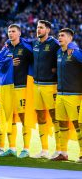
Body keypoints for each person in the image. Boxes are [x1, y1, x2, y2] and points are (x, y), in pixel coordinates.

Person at [0, 24, 33, 158]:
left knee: (24, 117)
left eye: (13, 31)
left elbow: (36, 60)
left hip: (21, 86)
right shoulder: (6, 48)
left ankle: (26, 149)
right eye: (9, 31)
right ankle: (11, 148)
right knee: (10, 116)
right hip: (8, 86)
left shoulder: (25, 48)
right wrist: (9, 63)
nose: (10, 34)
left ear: (19, 33)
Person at [51, 28, 82, 161]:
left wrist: (74, 47)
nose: (59, 37)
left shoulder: (76, 52)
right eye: (58, 35)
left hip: (74, 94)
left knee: (78, 125)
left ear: (70, 38)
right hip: (60, 94)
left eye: (62, 35)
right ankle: (63, 153)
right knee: (62, 124)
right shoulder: (59, 52)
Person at [32, 20, 61, 159]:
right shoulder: (35, 43)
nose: (38, 30)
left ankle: (60, 150)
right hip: (36, 84)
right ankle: (44, 150)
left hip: (50, 85)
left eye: (41, 28)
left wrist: (55, 70)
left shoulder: (55, 44)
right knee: (40, 116)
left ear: (48, 30)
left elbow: (66, 52)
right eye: (38, 27)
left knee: (55, 116)